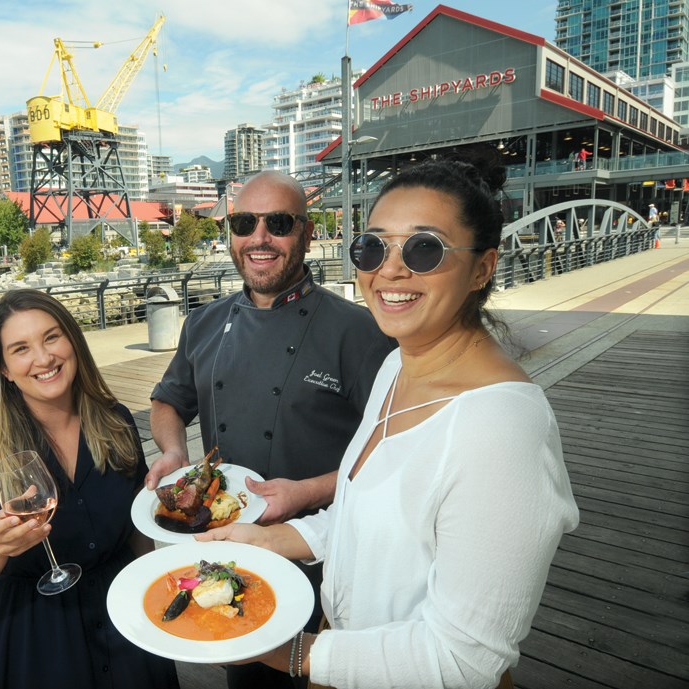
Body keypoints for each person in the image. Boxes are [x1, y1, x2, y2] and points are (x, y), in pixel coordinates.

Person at [199, 152, 580, 689]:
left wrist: (284, 651)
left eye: (426, 248)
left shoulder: (502, 429)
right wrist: (268, 541)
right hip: (344, 657)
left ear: (483, 268)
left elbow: (463, 662)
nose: (390, 269)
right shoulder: (399, 364)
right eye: (373, 246)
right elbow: (366, 518)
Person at [147, 169, 396, 689]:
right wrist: (172, 453)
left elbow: (393, 452)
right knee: (249, 677)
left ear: (306, 233)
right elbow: (168, 401)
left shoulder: (359, 332)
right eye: (244, 222)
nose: (259, 238)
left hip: (327, 554)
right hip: (235, 551)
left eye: (278, 223)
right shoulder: (204, 323)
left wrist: (307, 490)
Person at [0, 289, 178, 689]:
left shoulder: (115, 421)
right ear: (5, 369)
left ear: (73, 342)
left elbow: (135, 534)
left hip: (127, 628)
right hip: (35, 642)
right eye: (21, 348)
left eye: (51, 337)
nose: (43, 359)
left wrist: (157, 594)